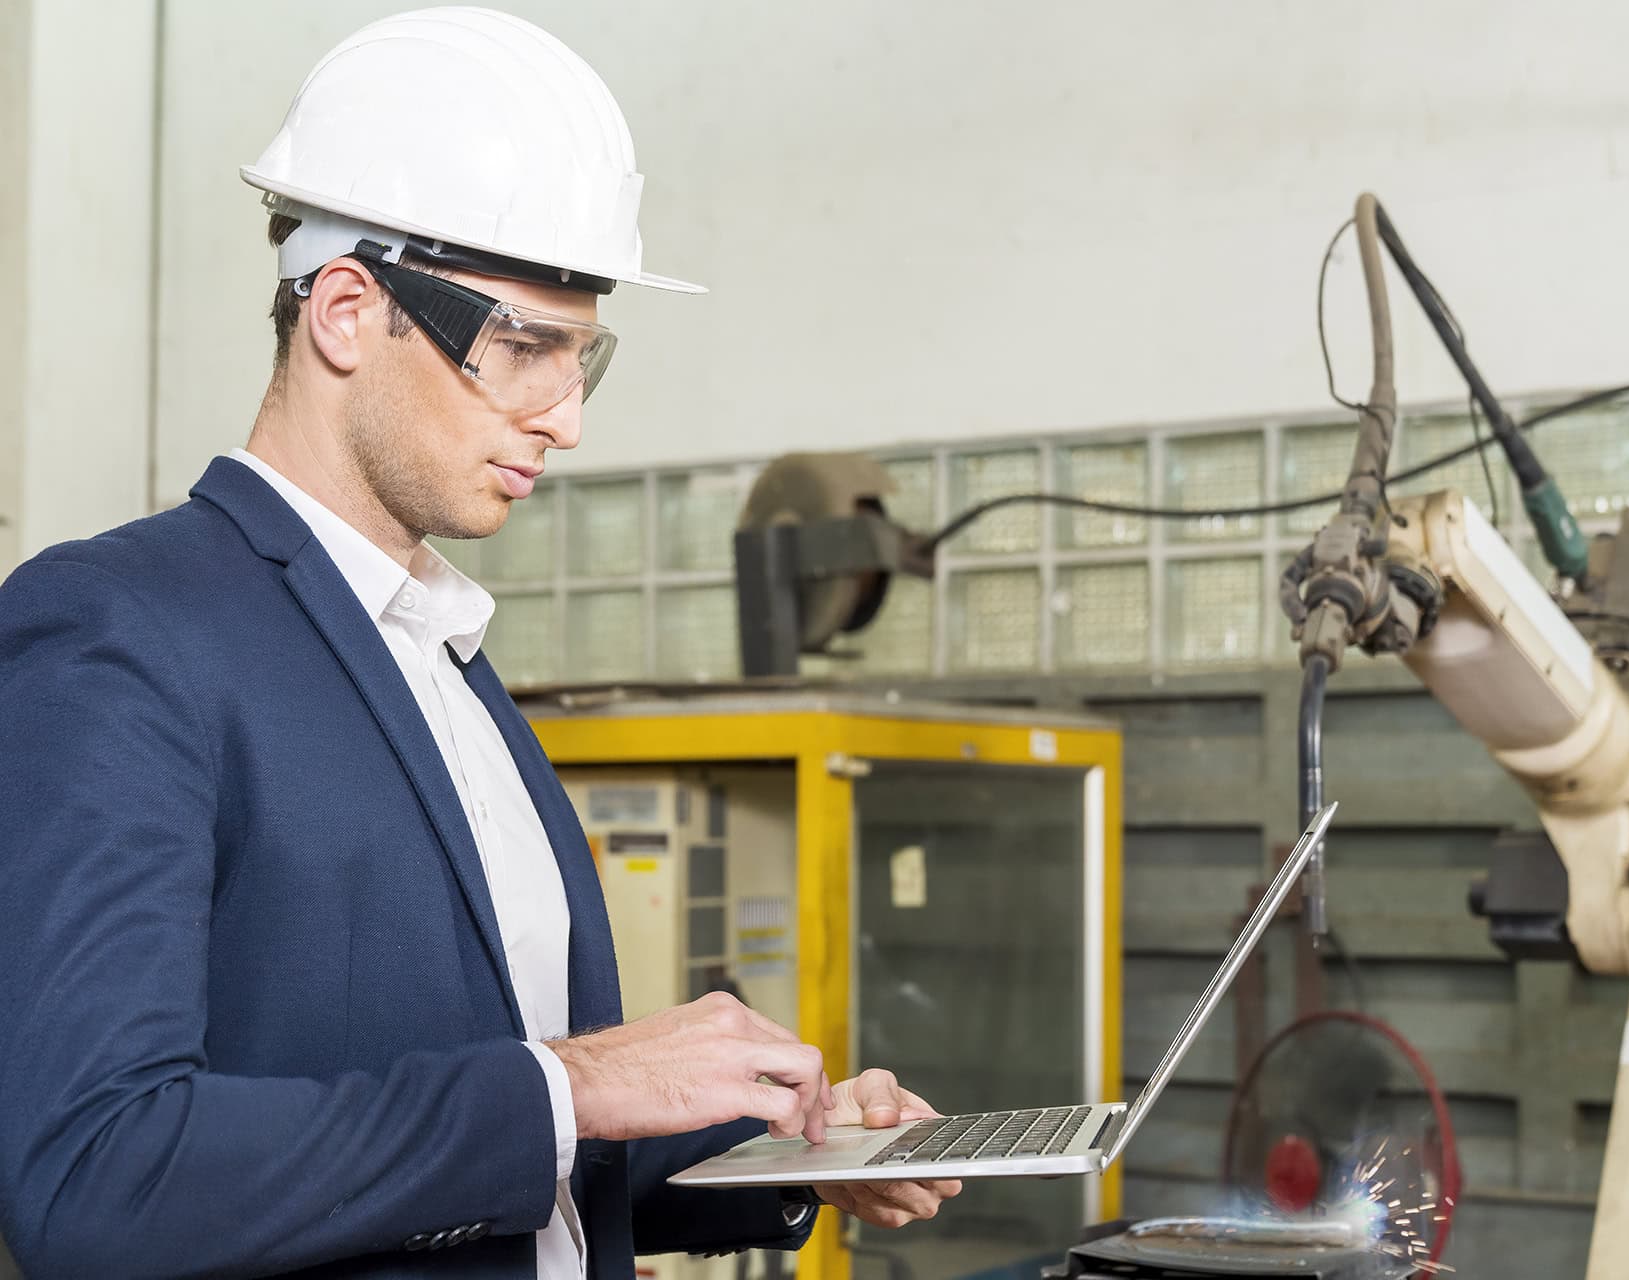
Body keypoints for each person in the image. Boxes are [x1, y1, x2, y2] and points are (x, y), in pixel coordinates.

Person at [0, 8, 958, 1277]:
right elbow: (97, 1175)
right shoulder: (120, 630)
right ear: (348, 311)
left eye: (582, 357)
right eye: (522, 347)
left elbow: (522, 1148)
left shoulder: (441, 651)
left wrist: (786, 1152)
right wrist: (575, 1082)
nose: (565, 419)